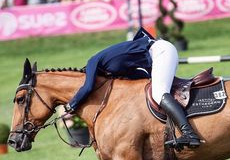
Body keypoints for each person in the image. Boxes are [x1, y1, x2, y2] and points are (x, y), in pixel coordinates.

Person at [65, 27, 201, 149]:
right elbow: (141, 75)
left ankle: (189, 133)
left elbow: (87, 87)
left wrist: (71, 106)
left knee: (159, 93)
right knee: (156, 91)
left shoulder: (92, 62)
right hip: (159, 54)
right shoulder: (112, 70)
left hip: (161, 51)